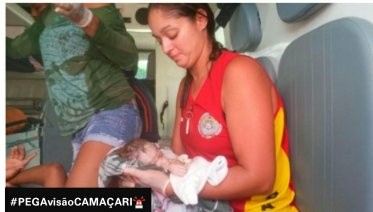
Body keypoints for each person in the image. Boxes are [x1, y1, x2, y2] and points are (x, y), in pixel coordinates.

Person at [123, 3, 297, 211]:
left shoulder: (240, 74)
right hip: (202, 201)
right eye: (159, 40)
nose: (166, 48)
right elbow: (179, 157)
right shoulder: (185, 86)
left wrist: (171, 187)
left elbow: (259, 179)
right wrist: (148, 167)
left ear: (200, 19)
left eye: (172, 34)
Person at [6, 3, 142, 187]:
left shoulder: (96, 7)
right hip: (78, 127)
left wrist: (86, 20)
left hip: (109, 110)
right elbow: (15, 49)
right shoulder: (46, 19)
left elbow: (129, 59)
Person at [101, 138, 229, 211]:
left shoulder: (166, 161)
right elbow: (109, 163)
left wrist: (167, 166)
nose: (158, 161)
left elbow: (182, 186)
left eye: (158, 156)